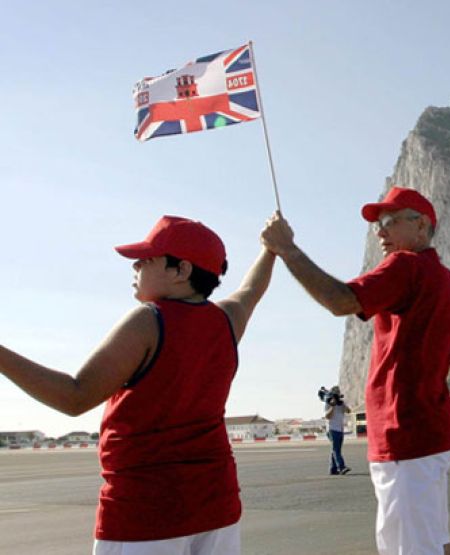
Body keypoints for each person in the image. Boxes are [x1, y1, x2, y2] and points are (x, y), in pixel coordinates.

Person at [0, 215, 275, 554]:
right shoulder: (227, 319)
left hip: (146, 514)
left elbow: (74, 396)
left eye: (147, 258)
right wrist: (272, 249)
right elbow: (251, 290)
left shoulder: (149, 319)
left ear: (182, 271)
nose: (136, 266)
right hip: (216, 507)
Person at [261, 188, 450, 555]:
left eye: (387, 222)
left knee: (412, 546)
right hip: (430, 436)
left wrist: (288, 250)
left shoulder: (405, 266)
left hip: (404, 436)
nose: (379, 232)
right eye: (376, 225)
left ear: (421, 226)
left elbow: (341, 301)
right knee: (431, 538)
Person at [323, 385, 352, 475]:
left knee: (336, 450)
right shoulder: (328, 403)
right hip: (332, 429)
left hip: (340, 429)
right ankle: (341, 467)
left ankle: (333, 469)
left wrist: (342, 404)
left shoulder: (341, 403)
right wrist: (332, 406)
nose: (338, 393)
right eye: (336, 392)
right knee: (336, 450)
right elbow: (327, 416)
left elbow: (348, 411)